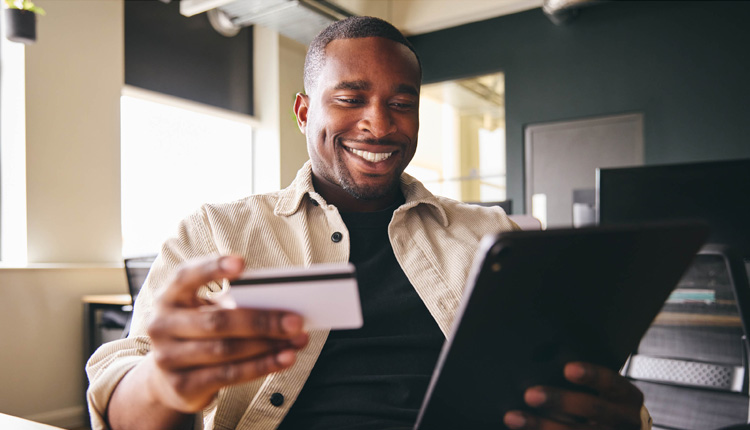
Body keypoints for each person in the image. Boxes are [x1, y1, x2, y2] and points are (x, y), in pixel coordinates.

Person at [86, 16, 649, 430]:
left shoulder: (492, 237)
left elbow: (576, 378)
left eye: (401, 103)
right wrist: (163, 382)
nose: (379, 124)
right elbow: (117, 390)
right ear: (305, 112)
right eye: (351, 98)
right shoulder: (217, 234)